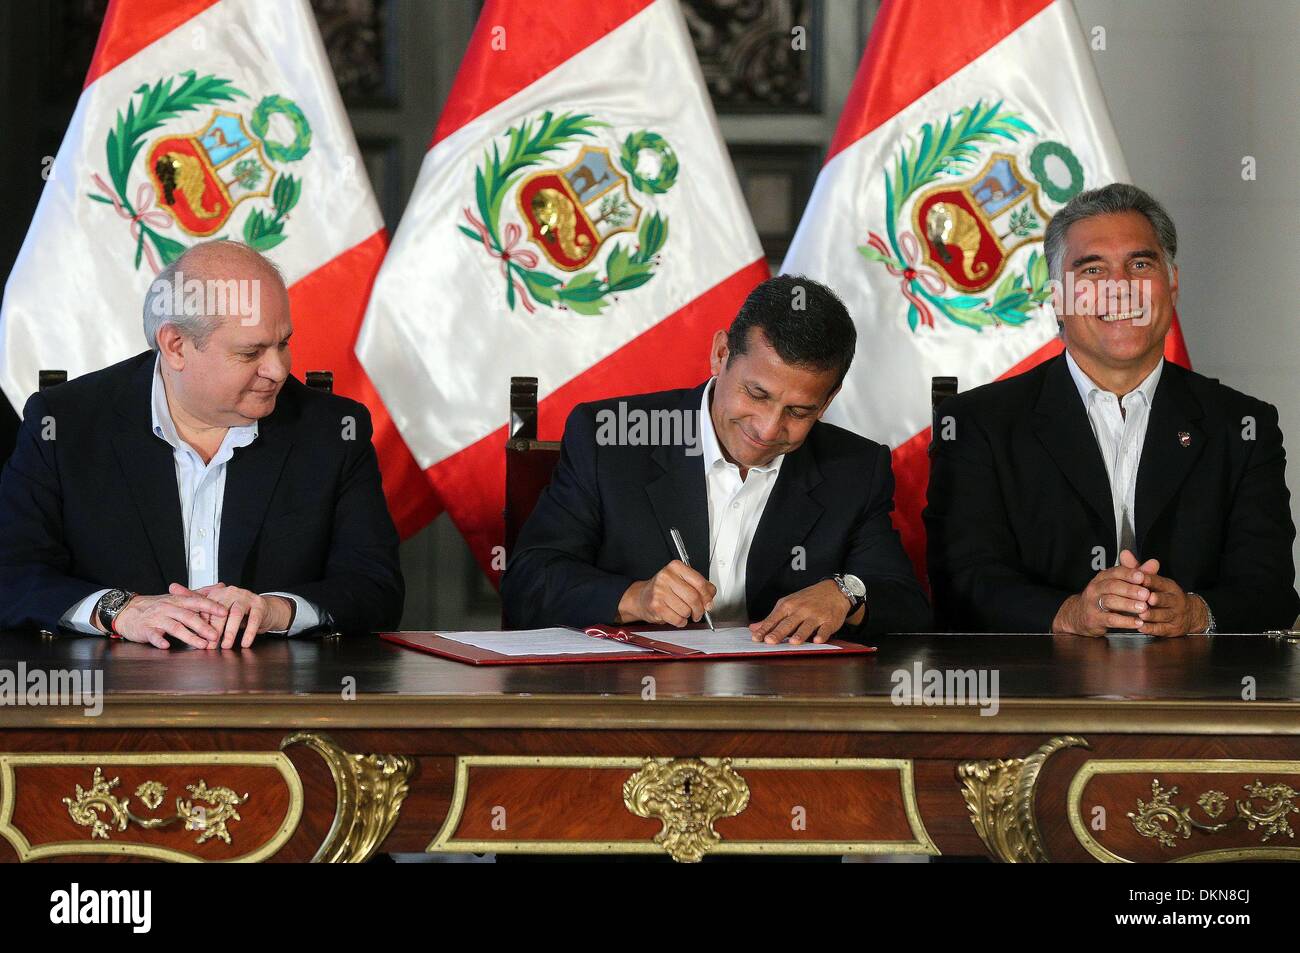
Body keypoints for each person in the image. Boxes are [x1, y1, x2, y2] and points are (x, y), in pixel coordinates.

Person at [925, 183, 1299, 635]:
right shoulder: (978, 424)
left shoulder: (1243, 425)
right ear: (1057, 298)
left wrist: (1197, 614)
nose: (1119, 288)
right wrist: (1068, 615)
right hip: (1037, 693)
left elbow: (1270, 589)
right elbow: (961, 584)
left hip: (1196, 693)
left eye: (1140, 264)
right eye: (1093, 271)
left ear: (1173, 283)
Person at [0, 240, 404, 647]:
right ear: (176, 346)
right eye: (251, 352)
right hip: (111, 699)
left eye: (283, 343)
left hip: (279, 700)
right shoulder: (65, 424)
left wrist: (277, 610)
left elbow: (375, 587)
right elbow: (12, 574)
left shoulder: (334, 430)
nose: (278, 370)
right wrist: (120, 610)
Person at [501, 275, 931, 643]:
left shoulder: (855, 468)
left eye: (798, 412)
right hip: (634, 709)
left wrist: (845, 595)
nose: (766, 429)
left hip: (784, 711)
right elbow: (527, 583)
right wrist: (634, 596)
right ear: (721, 354)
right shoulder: (609, 437)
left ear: (828, 401)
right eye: (756, 394)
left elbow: (906, 605)